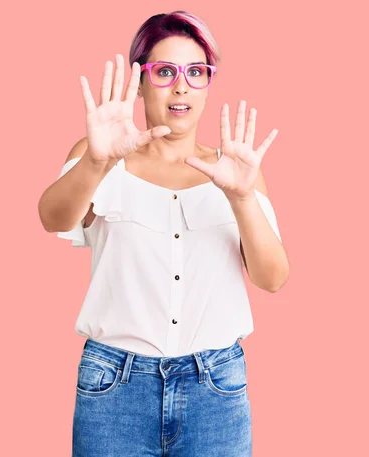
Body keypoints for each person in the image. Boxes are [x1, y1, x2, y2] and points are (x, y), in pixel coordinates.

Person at [38, 10, 289, 457]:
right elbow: (53, 218)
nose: (181, 86)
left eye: (196, 72)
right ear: (138, 81)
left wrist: (242, 199)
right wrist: (96, 162)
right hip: (114, 388)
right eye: (164, 71)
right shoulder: (102, 156)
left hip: (215, 389)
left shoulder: (235, 170)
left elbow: (273, 279)